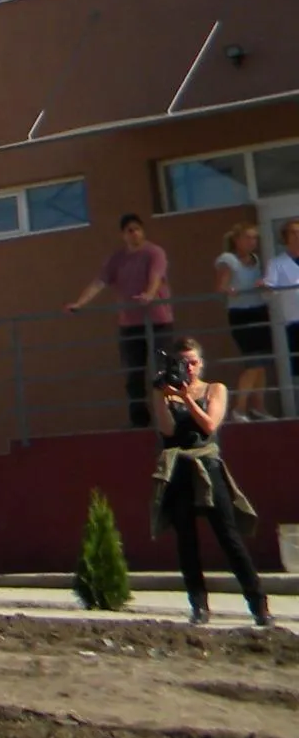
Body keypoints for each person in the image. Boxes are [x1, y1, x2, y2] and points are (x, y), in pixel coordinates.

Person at [148, 337, 271, 629]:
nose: (188, 368)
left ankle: (258, 605)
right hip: (179, 466)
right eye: (183, 363)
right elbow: (167, 430)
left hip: (207, 464)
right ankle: (199, 606)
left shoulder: (215, 389)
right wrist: (161, 395)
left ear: (201, 364)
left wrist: (187, 397)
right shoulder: (166, 393)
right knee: (186, 540)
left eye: (193, 362)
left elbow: (209, 425)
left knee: (228, 536)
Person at [65, 213, 173, 427]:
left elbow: (156, 276)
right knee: (133, 374)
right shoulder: (117, 258)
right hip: (130, 324)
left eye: (137, 229)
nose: (134, 234)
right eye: (129, 231)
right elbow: (99, 282)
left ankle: (170, 415)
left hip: (158, 321)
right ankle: (140, 420)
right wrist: (79, 303)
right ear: (123, 235)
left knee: (162, 370)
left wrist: (149, 294)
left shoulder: (154, 252)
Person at [217, 220, 274, 422]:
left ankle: (259, 407)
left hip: (260, 311)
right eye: (248, 237)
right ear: (237, 239)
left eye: (254, 238)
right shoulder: (229, 260)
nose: (252, 242)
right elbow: (221, 286)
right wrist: (230, 290)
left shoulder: (256, 259)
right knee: (253, 362)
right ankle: (239, 409)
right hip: (241, 314)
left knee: (262, 363)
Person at [269, 218, 299, 421]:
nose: (298, 236)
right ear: (285, 238)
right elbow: (269, 287)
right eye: (293, 233)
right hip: (295, 322)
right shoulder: (277, 263)